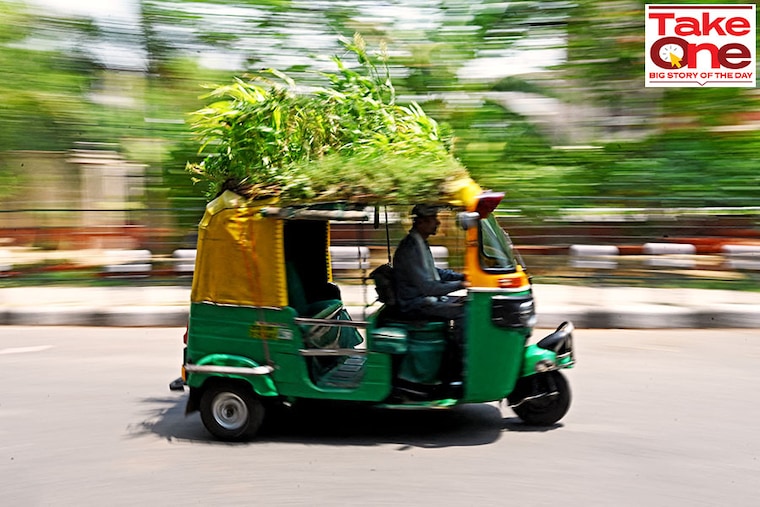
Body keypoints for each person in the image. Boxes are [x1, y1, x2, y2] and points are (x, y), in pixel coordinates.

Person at [393, 204, 467, 381]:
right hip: (415, 304)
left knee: (468, 304)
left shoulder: (420, 244)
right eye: (433, 219)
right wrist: (462, 284)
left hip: (425, 299)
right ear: (421, 223)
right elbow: (428, 287)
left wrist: (463, 277)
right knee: (466, 312)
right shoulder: (410, 248)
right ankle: (457, 366)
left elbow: (437, 273)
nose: (438, 223)